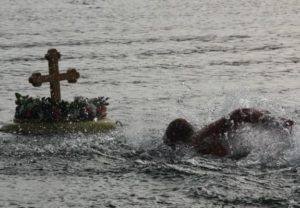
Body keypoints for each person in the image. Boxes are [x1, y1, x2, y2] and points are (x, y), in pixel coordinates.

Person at [163, 108, 295, 157]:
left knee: (240, 114)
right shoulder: (196, 141)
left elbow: (238, 114)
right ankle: (275, 121)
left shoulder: (195, 142)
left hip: (238, 115)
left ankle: (276, 122)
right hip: (239, 115)